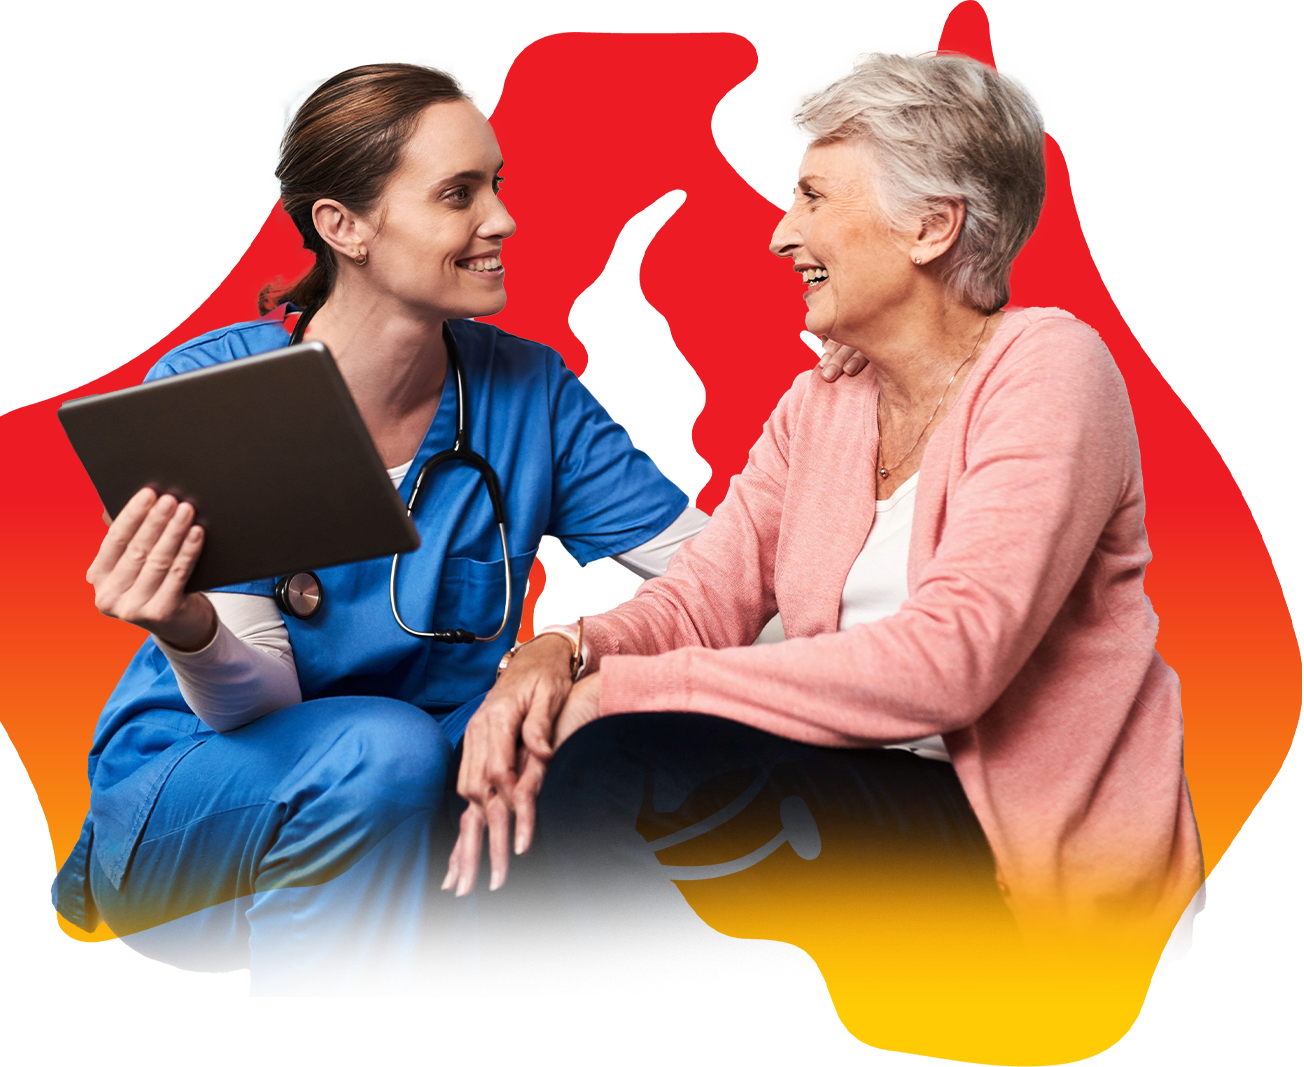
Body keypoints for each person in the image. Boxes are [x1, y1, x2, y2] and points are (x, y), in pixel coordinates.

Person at [450, 52, 1206, 992]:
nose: (780, 234)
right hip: (843, 789)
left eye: (813, 196)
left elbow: (953, 661)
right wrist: (561, 653)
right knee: (503, 787)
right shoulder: (824, 403)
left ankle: (709, 1021)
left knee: (608, 767)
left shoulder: (1052, 369)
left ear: (932, 226)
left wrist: (623, 692)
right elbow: (698, 602)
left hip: (1007, 845)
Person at [48, 59, 787, 997]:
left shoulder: (532, 395)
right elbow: (254, 703)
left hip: (419, 817)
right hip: (197, 825)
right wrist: (187, 626)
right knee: (390, 750)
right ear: (343, 226)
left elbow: (720, 574)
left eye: (497, 184)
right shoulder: (220, 392)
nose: (503, 220)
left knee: (539, 760)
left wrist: (575, 659)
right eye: (457, 194)